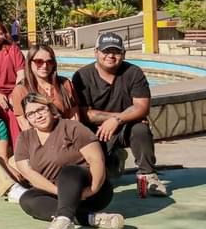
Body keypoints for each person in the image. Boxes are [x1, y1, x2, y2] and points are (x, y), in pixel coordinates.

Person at [14, 93, 125, 229]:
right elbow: (28, 172)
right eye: (31, 114)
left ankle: (64, 222)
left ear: (51, 109)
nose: (38, 116)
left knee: (69, 171)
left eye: (41, 110)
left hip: (89, 190)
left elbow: (96, 160)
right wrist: (61, 193)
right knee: (27, 199)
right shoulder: (25, 138)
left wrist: (92, 190)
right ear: (27, 118)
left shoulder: (72, 127)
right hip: (56, 193)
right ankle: (91, 218)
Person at [72, 32, 168, 196]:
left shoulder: (134, 72)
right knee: (103, 178)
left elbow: (142, 107)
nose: (110, 56)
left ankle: (148, 177)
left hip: (125, 128)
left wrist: (118, 120)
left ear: (123, 54)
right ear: (96, 52)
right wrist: (114, 119)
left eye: (116, 51)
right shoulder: (82, 76)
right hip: (96, 131)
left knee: (140, 129)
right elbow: (85, 113)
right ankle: (114, 159)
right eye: (106, 51)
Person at [12, 44, 80, 131]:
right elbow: (25, 125)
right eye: (39, 61)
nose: (45, 66)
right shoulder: (21, 90)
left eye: (49, 61)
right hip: (39, 137)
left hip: (68, 133)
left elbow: (75, 116)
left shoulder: (64, 83)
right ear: (29, 63)